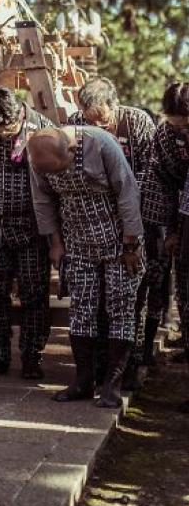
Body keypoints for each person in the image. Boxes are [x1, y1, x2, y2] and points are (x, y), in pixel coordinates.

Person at [27, 125, 144, 408]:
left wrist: (131, 246)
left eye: (59, 169)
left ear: (72, 149)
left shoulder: (102, 145)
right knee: (81, 309)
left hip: (119, 240)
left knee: (120, 308)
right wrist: (55, 242)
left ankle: (112, 386)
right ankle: (83, 381)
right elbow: (42, 200)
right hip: (77, 241)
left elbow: (128, 193)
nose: (56, 176)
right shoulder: (39, 157)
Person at [69, 77, 157, 388]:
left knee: (133, 295)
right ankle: (96, 370)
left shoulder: (138, 123)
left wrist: (132, 227)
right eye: (91, 121)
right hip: (96, 220)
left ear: (115, 106)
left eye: (103, 121)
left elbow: (149, 173)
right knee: (96, 299)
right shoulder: (75, 123)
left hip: (137, 216)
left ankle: (129, 367)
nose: (99, 129)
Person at [0, 87, 52, 380]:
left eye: (7, 128)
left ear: (20, 113)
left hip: (32, 228)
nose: (2, 134)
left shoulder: (44, 130)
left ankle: (32, 356)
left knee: (35, 294)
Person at [143, 82, 189, 408]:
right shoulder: (163, 137)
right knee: (183, 285)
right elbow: (164, 182)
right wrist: (169, 229)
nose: (181, 131)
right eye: (175, 124)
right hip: (180, 214)